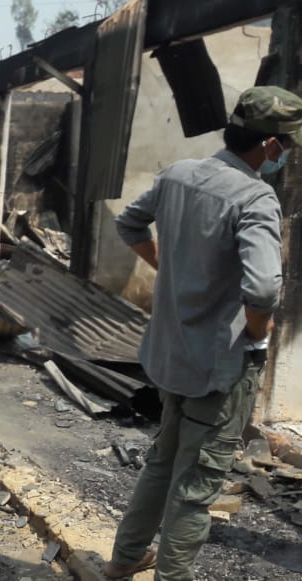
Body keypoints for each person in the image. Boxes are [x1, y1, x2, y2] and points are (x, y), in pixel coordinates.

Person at [103, 86, 299, 580]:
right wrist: (257, 333)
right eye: (288, 147)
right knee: (199, 481)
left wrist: (166, 265)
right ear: (272, 146)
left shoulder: (180, 175)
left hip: (170, 355)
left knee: (163, 462)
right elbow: (262, 288)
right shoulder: (256, 197)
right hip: (219, 366)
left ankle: (126, 559)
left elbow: (130, 224)